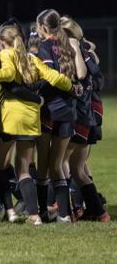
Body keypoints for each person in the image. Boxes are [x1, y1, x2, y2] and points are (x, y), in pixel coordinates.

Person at [0, 25, 76, 225]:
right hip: (30, 118)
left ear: (2, 42)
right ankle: (34, 216)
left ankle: (10, 210)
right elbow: (54, 77)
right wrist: (72, 86)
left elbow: (8, 77)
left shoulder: (5, 54)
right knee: (24, 168)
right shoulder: (31, 58)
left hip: (10, 117)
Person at [60, 16, 110, 222]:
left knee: (60, 163)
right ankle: (98, 212)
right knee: (78, 169)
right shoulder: (84, 51)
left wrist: (77, 48)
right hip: (85, 116)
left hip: (78, 116)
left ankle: (65, 211)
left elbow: (82, 74)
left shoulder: (75, 52)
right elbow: (96, 68)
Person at [35, 9, 82, 223]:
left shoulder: (44, 46)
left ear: (43, 28)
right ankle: (64, 214)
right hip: (68, 110)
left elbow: (49, 78)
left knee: (44, 165)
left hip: (49, 111)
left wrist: (32, 84)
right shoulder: (67, 45)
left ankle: (43, 212)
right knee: (57, 165)